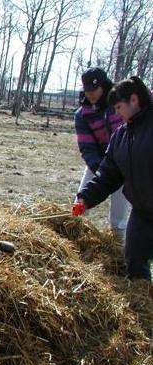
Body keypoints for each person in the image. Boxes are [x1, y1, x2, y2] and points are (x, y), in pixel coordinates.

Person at [74, 76, 153, 284]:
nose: (116, 114)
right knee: (135, 263)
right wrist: (85, 198)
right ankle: (144, 306)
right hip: (143, 212)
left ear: (134, 100)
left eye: (119, 107)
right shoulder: (122, 136)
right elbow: (107, 174)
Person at [73, 67, 130, 240]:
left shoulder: (119, 106)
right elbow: (86, 146)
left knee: (118, 216)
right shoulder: (82, 114)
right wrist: (100, 171)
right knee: (80, 203)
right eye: (87, 89)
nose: (90, 94)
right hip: (97, 163)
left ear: (103, 86)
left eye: (94, 89)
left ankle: (118, 246)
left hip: (123, 164)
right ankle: (74, 238)